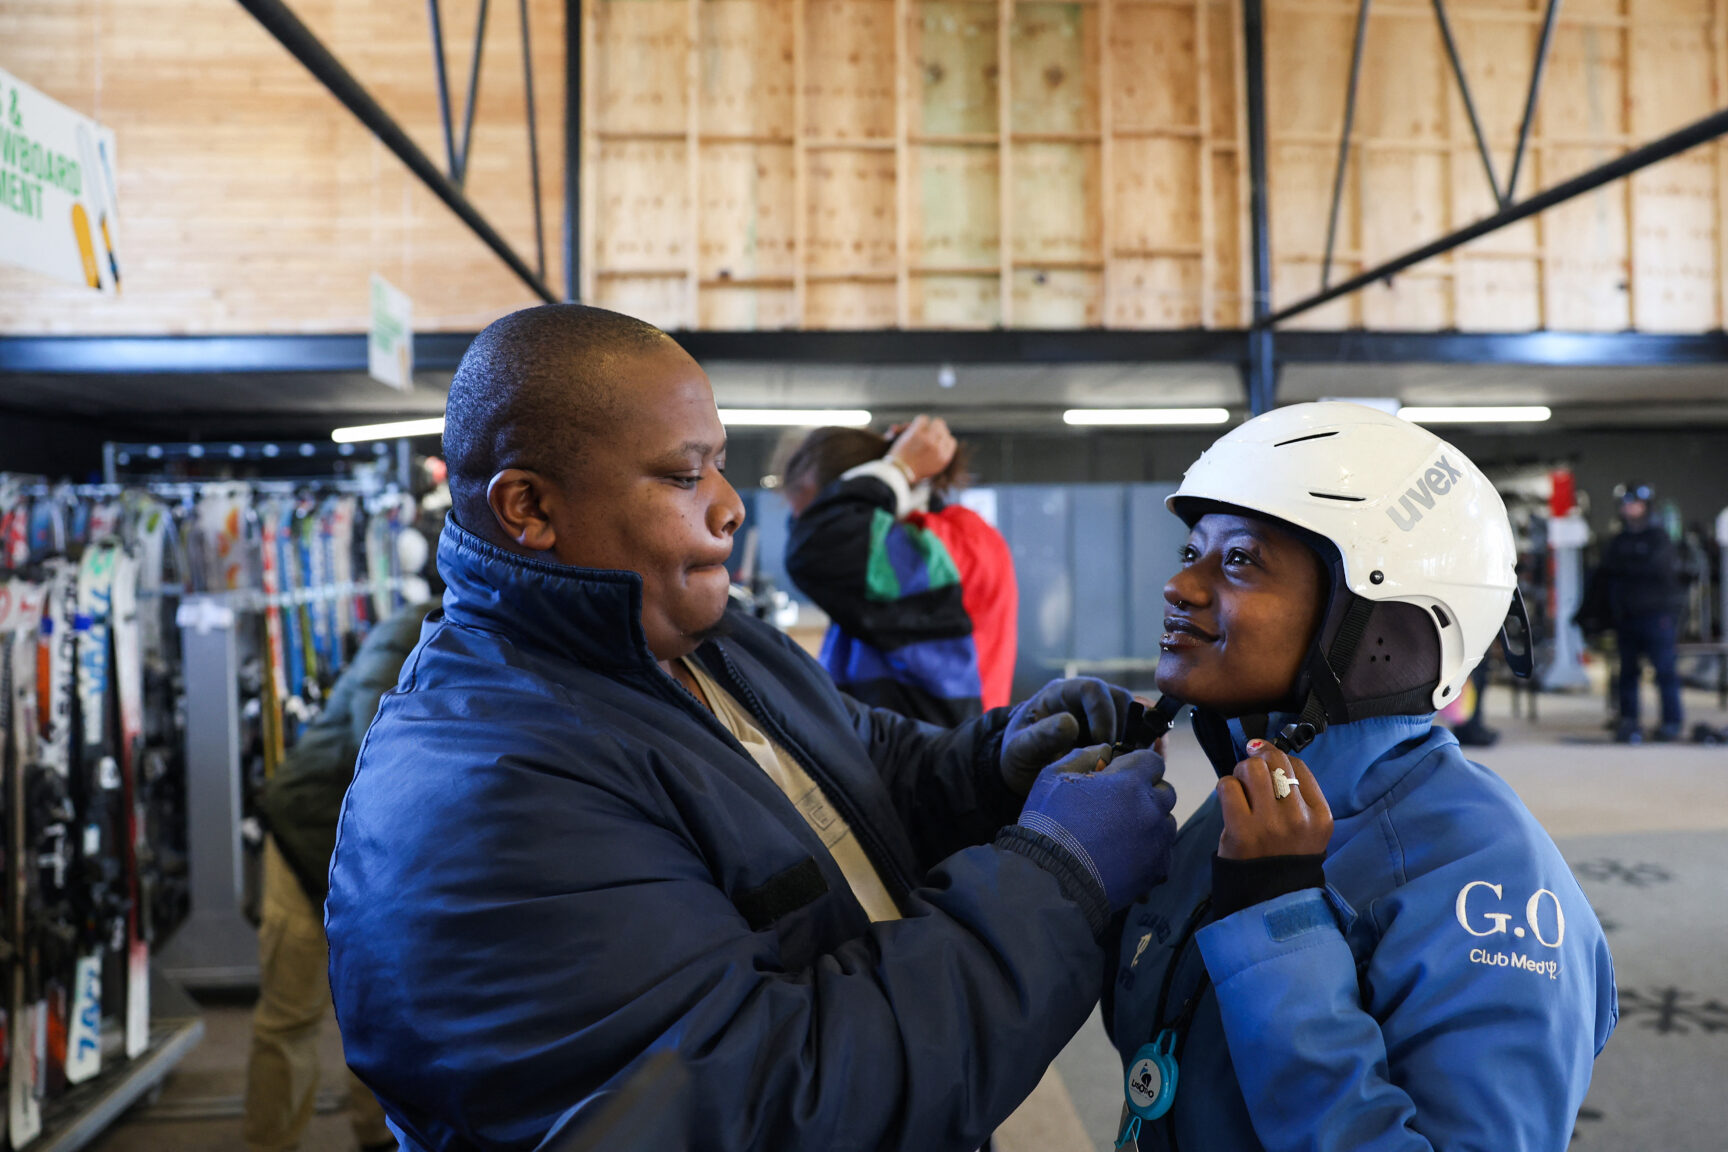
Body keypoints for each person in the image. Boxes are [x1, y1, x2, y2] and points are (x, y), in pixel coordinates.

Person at [324, 303, 1180, 1152]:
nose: (733, 507)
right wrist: (1054, 880)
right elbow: (774, 1100)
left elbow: (861, 772)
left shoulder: (710, 639)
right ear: (530, 507)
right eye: (683, 476)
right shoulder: (484, 789)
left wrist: (992, 766)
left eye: (722, 466)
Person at [1105, 402, 1617, 1152]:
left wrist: (1277, 926)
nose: (1180, 585)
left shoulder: (1490, 877)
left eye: (1240, 559)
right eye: (1193, 551)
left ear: (1376, 625)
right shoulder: (1247, 810)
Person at [245, 597, 435, 1152]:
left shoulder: (501, 640)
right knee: (291, 1014)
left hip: (384, 855)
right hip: (311, 839)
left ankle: (380, 1138)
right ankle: (272, 1144)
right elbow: (374, 738)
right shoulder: (410, 632)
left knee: (389, 1014)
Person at [780, 416, 1017, 725]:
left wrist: (900, 468)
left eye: (820, 511)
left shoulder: (962, 543)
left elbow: (816, 548)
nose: (801, 525)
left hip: (945, 748)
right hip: (903, 742)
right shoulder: (892, 550)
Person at [1588, 482, 1685, 743]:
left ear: (1646, 506)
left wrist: (1626, 568)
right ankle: (1629, 720)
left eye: (1635, 504)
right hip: (1626, 617)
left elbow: (1656, 569)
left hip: (1656, 615)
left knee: (1665, 670)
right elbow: (1606, 574)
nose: (1630, 509)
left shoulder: (1659, 538)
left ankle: (1672, 722)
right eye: (1626, 504)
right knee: (1627, 672)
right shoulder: (1618, 541)